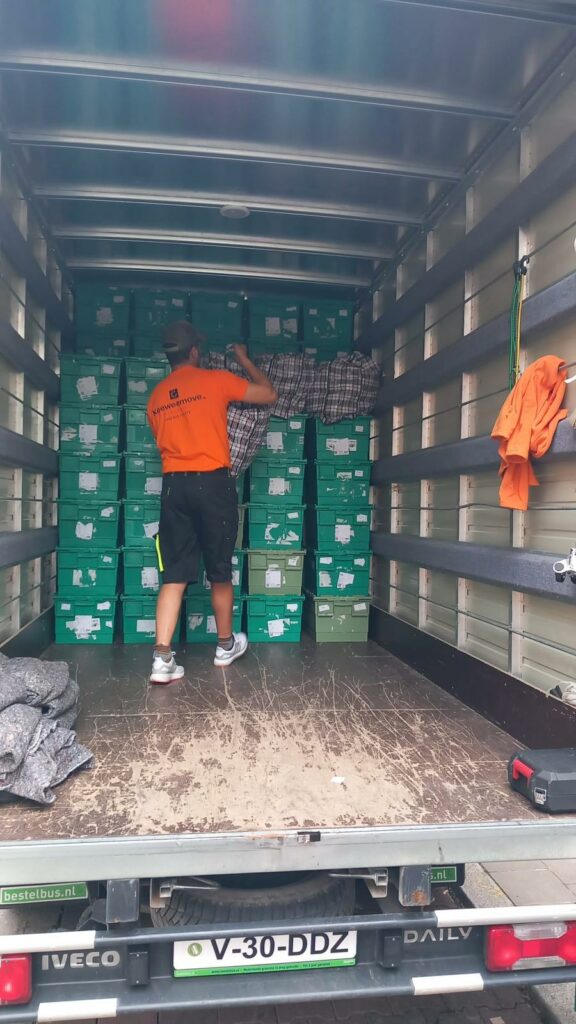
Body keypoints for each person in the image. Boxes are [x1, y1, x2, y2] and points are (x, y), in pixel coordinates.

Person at [146, 321, 277, 683]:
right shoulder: (215, 380)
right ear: (194, 352)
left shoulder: (155, 399)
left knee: (173, 575)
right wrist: (244, 360)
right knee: (219, 571)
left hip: (174, 487)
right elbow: (269, 394)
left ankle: (162, 659)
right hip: (213, 483)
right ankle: (224, 646)